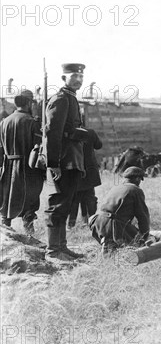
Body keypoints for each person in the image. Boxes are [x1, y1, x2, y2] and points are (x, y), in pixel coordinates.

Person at [43, 63, 88, 264]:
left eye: (81, 76)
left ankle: (62, 247)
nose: (78, 79)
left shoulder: (71, 98)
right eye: (74, 76)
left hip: (72, 161)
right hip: (62, 162)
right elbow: (52, 132)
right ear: (63, 78)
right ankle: (53, 251)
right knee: (57, 204)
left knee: (66, 204)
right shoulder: (61, 99)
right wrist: (53, 163)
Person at [0, 91, 44, 234]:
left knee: (7, 198)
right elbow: (38, 147)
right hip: (27, 168)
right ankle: (29, 234)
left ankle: (5, 232)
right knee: (29, 200)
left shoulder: (4, 122)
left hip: (8, 167)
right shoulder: (32, 122)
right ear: (29, 103)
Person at [89, 166, 150, 254]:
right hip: (112, 224)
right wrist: (144, 236)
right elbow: (143, 216)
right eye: (140, 180)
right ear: (137, 179)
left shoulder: (116, 188)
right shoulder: (135, 190)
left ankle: (108, 242)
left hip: (96, 222)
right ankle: (109, 243)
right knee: (137, 243)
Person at [68, 128, 102, 228]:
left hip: (75, 168)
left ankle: (71, 224)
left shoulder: (69, 132)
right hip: (89, 170)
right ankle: (92, 223)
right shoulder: (90, 132)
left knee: (74, 198)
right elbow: (98, 145)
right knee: (90, 197)